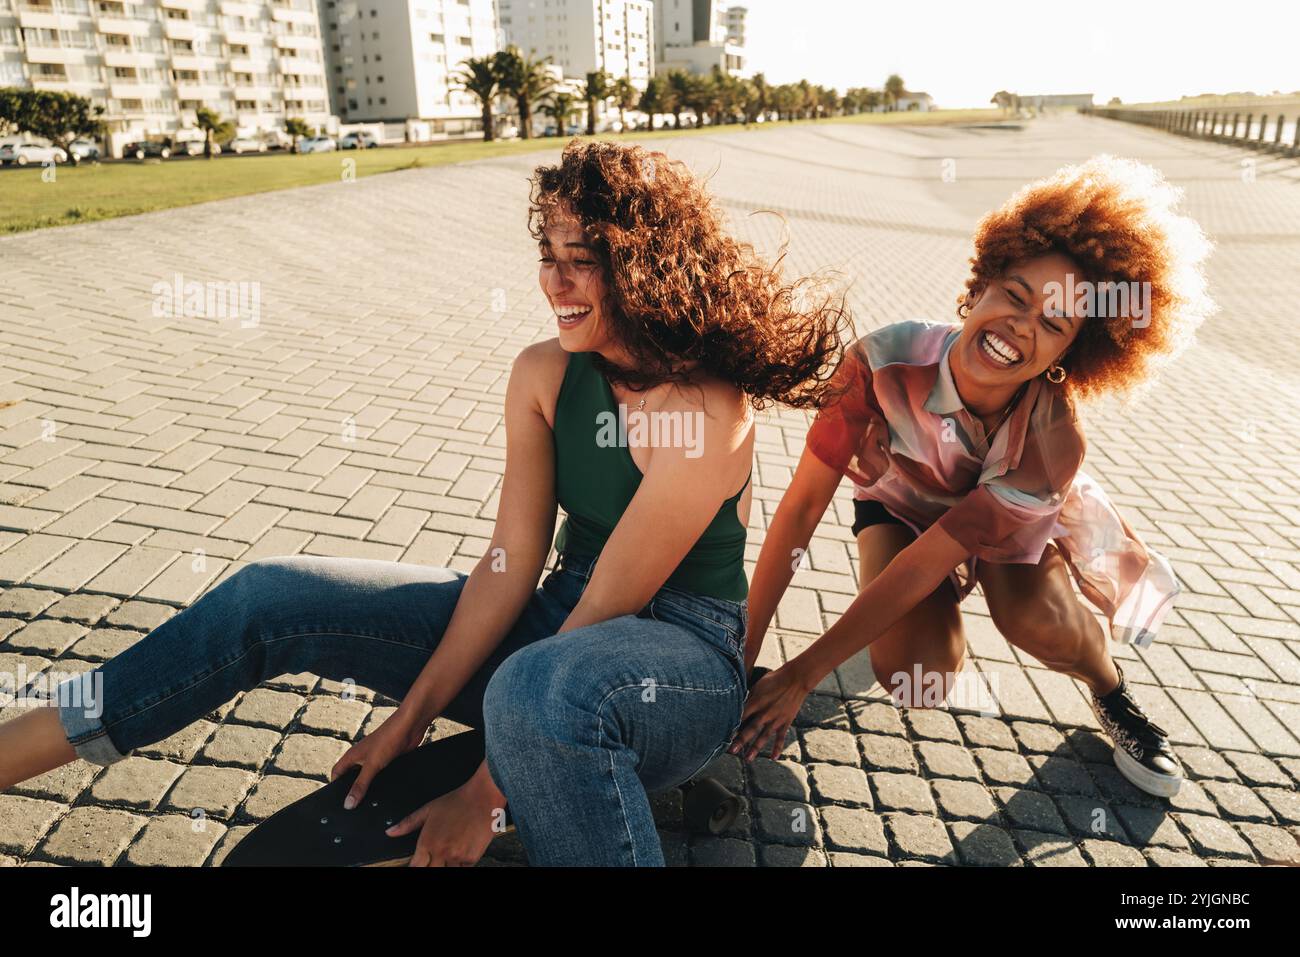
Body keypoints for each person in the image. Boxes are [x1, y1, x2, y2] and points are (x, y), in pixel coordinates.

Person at [0, 139, 848, 866]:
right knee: (269, 594)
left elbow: (611, 607)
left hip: (681, 663)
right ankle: (17, 748)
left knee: (540, 690)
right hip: (556, 623)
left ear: (643, 261)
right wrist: (408, 722)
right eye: (545, 254)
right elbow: (509, 565)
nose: (555, 280)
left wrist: (483, 795)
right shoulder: (544, 375)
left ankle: (566, 777)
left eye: (579, 256)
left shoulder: (709, 407)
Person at [732, 155, 1215, 798]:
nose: (1022, 327)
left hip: (1003, 524)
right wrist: (741, 659)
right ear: (978, 285)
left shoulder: (1052, 441)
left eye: (1054, 324)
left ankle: (1111, 691)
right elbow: (797, 513)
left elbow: (934, 558)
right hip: (902, 506)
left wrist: (801, 675)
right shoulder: (879, 360)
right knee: (915, 676)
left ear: (1071, 354)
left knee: (1032, 622)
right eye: (1016, 296)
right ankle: (907, 623)